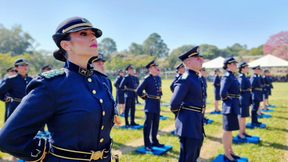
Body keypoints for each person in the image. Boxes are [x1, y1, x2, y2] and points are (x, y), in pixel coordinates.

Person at [0, 17, 120, 162]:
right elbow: (8, 138)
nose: (93, 37)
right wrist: (47, 153)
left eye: (93, 34)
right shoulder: (51, 84)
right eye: (83, 34)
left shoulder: (103, 81)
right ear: (65, 45)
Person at [170, 46, 205, 162]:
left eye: (201, 58)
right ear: (189, 62)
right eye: (198, 58)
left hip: (196, 121)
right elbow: (174, 104)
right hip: (188, 123)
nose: (202, 60)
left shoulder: (196, 77)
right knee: (187, 157)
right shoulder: (186, 78)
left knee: (194, 154)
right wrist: (184, 115)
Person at [0, 58, 33, 162]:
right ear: (16, 68)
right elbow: (1, 92)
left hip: (29, 108)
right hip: (15, 108)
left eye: (26, 65)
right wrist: (7, 99)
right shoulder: (11, 80)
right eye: (22, 65)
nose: (25, 67)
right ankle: (14, 158)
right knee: (14, 133)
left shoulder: (32, 80)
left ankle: (26, 156)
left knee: (28, 132)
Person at [136, 60, 164, 151]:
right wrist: (145, 98)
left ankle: (154, 141)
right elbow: (138, 91)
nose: (156, 68)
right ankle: (147, 144)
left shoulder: (158, 78)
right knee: (148, 125)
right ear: (150, 69)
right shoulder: (146, 79)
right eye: (154, 67)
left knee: (156, 123)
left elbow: (159, 89)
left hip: (157, 103)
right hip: (150, 104)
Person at [220, 57, 240, 162]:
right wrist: (227, 100)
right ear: (228, 65)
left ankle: (230, 150)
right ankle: (226, 153)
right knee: (227, 130)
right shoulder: (227, 76)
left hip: (233, 104)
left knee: (230, 130)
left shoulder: (232, 76)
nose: (236, 65)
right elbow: (223, 92)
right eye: (234, 64)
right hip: (229, 106)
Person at [237, 62, 252, 139]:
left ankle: (243, 131)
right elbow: (240, 89)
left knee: (244, 116)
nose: (247, 68)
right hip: (242, 98)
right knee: (241, 116)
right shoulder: (241, 77)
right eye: (246, 67)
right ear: (242, 68)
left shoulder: (244, 76)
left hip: (246, 97)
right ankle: (240, 133)